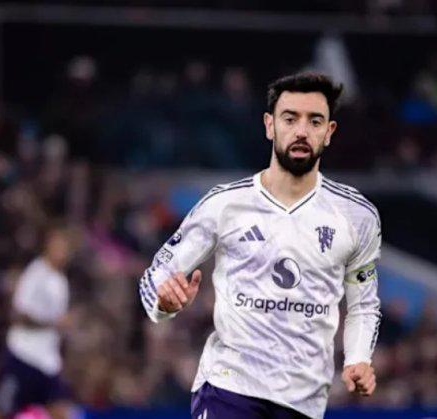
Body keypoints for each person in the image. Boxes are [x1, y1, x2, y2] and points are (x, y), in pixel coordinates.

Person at [139, 72, 382, 419]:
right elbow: (156, 276)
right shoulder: (225, 205)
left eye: (314, 121)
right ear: (270, 125)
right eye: (290, 119)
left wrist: (358, 358)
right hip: (228, 389)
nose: (301, 131)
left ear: (329, 132)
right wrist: (164, 303)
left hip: (304, 400)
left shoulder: (357, 216)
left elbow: (363, 304)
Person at [0, 225, 74, 419]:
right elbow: (19, 314)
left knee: (61, 411)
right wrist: (52, 323)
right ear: (48, 246)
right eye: (58, 246)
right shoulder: (35, 274)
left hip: (47, 361)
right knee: (2, 411)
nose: (62, 252)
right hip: (23, 354)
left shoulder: (60, 281)